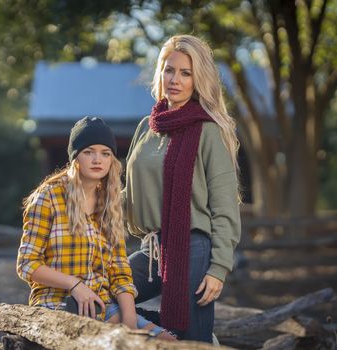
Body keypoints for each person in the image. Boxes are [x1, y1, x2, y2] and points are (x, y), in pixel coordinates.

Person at [125, 35, 241, 343]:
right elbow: (129, 194)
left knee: (193, 343)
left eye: (185, 73)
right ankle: (160, 334)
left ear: (197, 79)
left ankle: (194, 337)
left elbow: (225, 204)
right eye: (169, 69)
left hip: (193, 250)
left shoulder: (208, 130)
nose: (175, 79)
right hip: (152, 250)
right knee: (99, 295)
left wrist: (219, 268)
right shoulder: (146, 127)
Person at [17, 116, 175, 340]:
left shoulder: (109, 203)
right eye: (88, 151)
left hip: (102, 305)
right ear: (75, 158)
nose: (97, 159)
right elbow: (27, 264)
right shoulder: (49, 196)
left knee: (168, 342)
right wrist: (75, 285)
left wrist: (129, 318)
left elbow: (120, 269)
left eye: (105, 153)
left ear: (112, 159)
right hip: (57, 305)